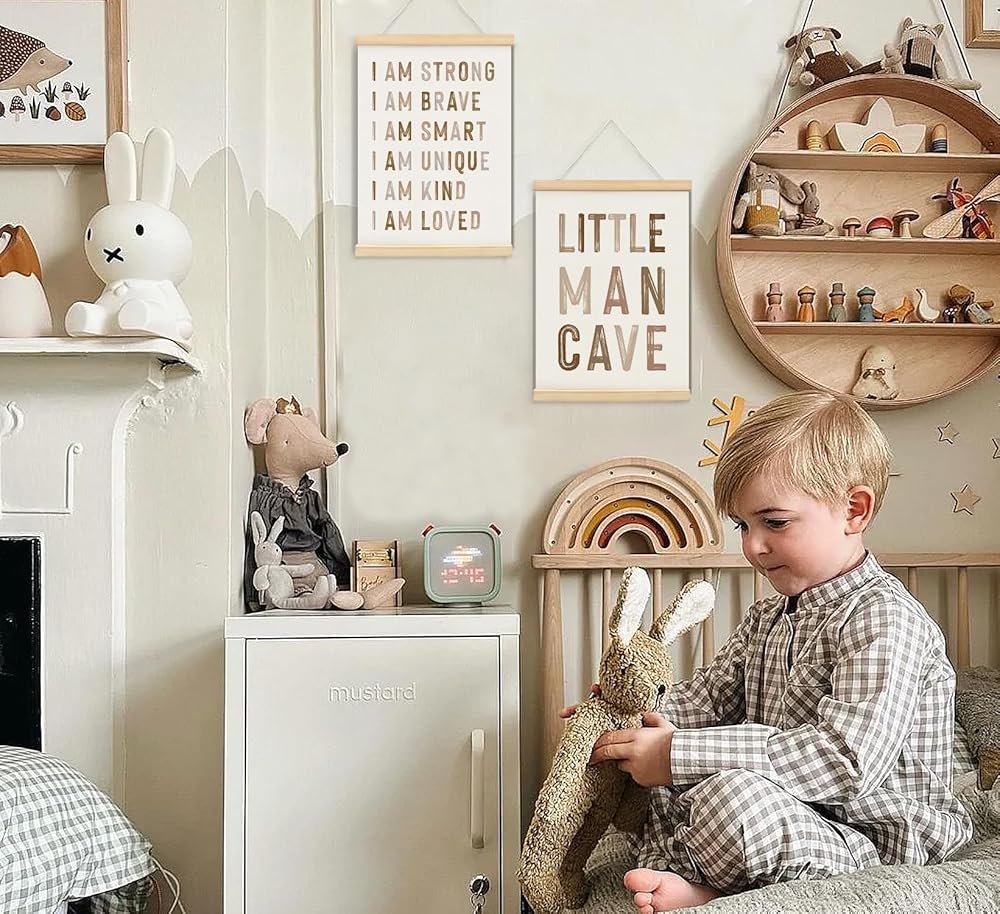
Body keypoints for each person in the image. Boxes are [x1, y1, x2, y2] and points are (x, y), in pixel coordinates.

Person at [572, 391, 973, 913]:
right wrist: (622, 716)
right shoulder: (766, 618)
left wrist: (677, 755)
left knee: (729, 799)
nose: (752, 546)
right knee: (657, 783)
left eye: (775, 522)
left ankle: (714, 888)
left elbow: (845, 760)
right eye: (742, 525)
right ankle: (716, 877)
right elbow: (704, 701)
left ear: (854, 510)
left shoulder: (885, 620)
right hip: (794, 809)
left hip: (877, 837)